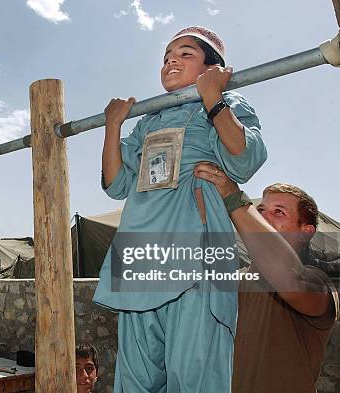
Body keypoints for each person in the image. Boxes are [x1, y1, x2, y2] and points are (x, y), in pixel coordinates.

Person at [93, 26, 267, 392]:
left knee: (194, 377)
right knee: (136, 381)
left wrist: (213, 97)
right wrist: (113, 126)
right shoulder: (150, 120)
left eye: (185, 53)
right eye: (167, 55)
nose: (171, 59)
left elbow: (243, 160)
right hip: (140, 255)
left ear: (211, 66)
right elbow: (116, 184)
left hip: (196, 251)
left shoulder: (229, 104)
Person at [194, 163, 339, 393]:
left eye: (278, 212)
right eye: (260, 211)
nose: (263, 218)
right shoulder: (233, 281)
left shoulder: (317, 283)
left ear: (305, 232)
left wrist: (233, 197)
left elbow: (290, 283)